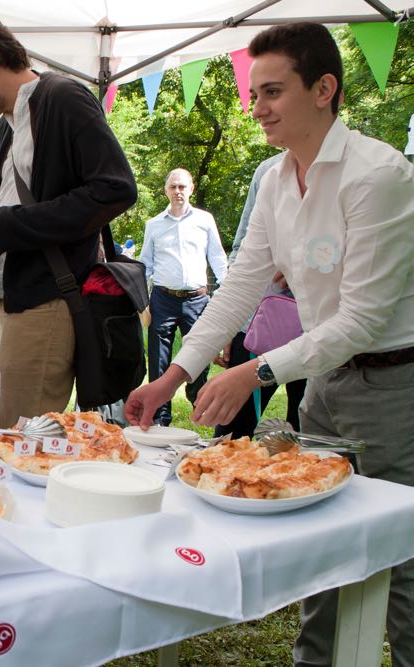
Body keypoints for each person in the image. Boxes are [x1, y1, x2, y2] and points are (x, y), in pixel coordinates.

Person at [123, 23, 414, 667]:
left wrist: (254, 373)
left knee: (405, 561)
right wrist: (173, 379)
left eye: (273, 92)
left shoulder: (380, 175)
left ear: (324, 89)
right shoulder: (275, 179)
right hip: (326, 387)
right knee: (322, 547)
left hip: (396, 387)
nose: (256, 109)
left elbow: (363, 319)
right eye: (255, 94)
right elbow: (237, 290)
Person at [0, 17, 137, 428]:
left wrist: (3, 223)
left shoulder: (63, 98)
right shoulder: (5, 131)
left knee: (18, 437)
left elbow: (115, 188)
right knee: (13, 431)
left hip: (46, 300)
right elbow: (15, 217)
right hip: (11, 297)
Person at [213, 152, 307, 438]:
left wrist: (303, 266)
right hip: (258, 323)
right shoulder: (268, 170)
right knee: (231, 430)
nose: (259, 111)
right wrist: (230, 326)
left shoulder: (357, 169)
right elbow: (241, 252)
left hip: (320, 330)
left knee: (307, 432)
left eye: (274, 102)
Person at [139, 168, 228, 425]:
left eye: (182, 187)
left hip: (197, 300)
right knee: (159, 362)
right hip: (163, 300)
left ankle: (198, 403)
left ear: (191, 189)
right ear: (166, 191)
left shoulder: (205, 220)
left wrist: (225, 293)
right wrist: (141, 301)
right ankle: (159, 419)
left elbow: (218, 260)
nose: (178, 191)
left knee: (199, 360)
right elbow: (146, 265)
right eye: (173, 187)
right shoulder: (154, 225)